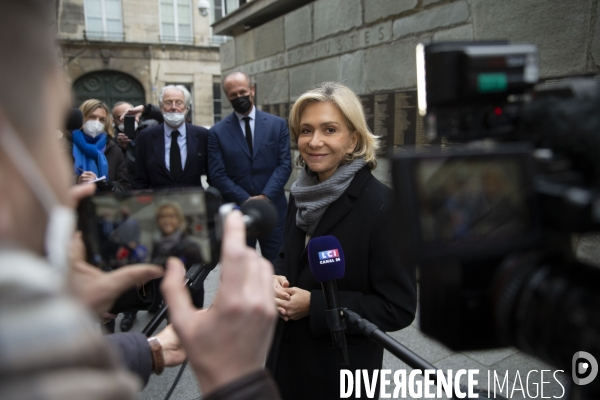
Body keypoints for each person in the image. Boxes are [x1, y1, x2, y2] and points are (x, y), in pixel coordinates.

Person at [0, 1, 280, 398]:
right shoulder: (146, 138)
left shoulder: (205, 135)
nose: (172, 110)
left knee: (186, 279)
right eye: (54, 128)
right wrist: (237, 374)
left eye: (178, 104)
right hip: (156, 215)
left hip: (193, 219)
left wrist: (149, 349)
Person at [266, 82, 417, 399]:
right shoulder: (301, 191)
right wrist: (277, 276)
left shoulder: (384, 207)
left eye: (329, 129)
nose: (314, 141)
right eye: (306, 130)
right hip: (286, 358)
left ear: (353, 140)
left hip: (341, 368)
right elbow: (288, 253)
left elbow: (397, 308)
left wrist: (315, 307)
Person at [208, 72, 292, 263]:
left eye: (242, 92)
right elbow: (217, 174)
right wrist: (247, 200)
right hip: (238, 212)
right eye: (233, 94)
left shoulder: (277, 125)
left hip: (273, 210)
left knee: (278, 267)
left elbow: (285, 164)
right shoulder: (217, 132)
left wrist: (264, 197)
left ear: (252, 90)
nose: (239, 97)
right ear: (227, 96)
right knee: (241, 271)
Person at [133, 85, 209, 190]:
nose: (173, 107)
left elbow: (213, 175)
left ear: (186, 108)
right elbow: (140, 180)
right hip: (158, 203)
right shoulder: (146, 137)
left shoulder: (202, 135)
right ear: (161, 108)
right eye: (168, 103)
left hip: (193, 202)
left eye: (179, 103)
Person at [70, 99, 130, 191]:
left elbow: (124, 186)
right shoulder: (67, 145)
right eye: (92, 117)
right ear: (82, 117)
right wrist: (77, 180)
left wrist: (109, 186)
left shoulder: (114, 149)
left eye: (102, 119)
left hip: (105, 204)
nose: (96, 122)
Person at [112, 101, 163, 179]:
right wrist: (121, 149)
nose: (125, 119)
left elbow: (168, 116)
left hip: (151, 182)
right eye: (120, 117)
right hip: (127, 184)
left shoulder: (150, 127)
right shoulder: (111, 137)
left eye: (130, 115)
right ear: (114, 121)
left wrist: (146, 108)